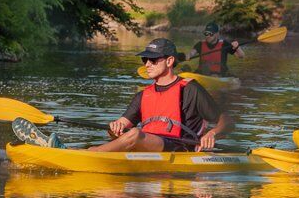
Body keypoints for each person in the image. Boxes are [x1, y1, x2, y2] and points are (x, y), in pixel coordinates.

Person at [94, 37, 226, 152]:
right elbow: (120, 126)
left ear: (169, 61)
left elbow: (227, 121)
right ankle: (95, 153)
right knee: (129, 133)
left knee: (135, 133)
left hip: (180, 148)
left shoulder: (191, 89)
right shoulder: (143, 95)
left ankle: (93, 153)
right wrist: (115, 128)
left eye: (153, 59)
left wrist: (212, 133)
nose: (147, 64)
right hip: (150, 145)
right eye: (145, 59)